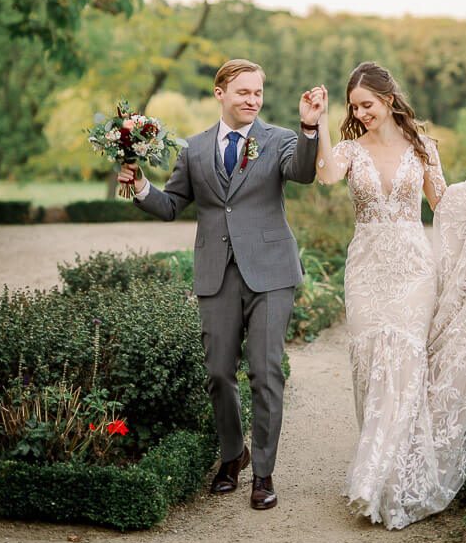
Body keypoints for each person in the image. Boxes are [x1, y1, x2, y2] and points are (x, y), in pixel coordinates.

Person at [315, 61, 466, 529]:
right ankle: (379, 468)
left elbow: (443, 203)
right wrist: (319, 121)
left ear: (388, 99)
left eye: (367, 104)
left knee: (404, 361)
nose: (361, 113)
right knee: (372, 363)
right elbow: (324, 175)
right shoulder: (348, 149)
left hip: (412, 268)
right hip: (366, 267)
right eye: (354, 107)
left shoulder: (422, 147)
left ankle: (381, 479)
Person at [119, 59, 325, 510]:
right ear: (220, 93)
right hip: (217, 272)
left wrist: (309, 128)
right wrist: (139, 187)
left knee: (266, 373)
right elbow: (172, 204)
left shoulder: (280, 140)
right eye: (243, 93)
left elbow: (304, 173)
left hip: (271, 273)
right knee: (218, 373)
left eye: (258, 94)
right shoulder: (193, 150)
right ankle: (233, 455)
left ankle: (263, 475)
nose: (252, 101)